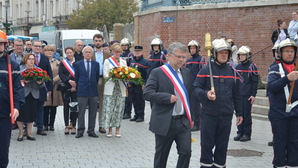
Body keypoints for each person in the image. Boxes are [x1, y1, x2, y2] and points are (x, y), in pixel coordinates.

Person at [194, 39, 243, 168]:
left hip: (226, 115)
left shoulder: (233, 72)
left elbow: (237, 95)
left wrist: (239, 113)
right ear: (215, 53)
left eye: (226, 53)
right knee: (207, 145)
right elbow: (196, 88)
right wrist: (206, 94)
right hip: (209, 115)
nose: (224, 55)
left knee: (222, 146)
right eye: (221, 52)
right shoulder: (205, 70)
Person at [144, 42, 192, 168]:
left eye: (184, 57)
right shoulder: (158, 73)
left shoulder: (186, 72)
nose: (182, 60)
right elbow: (147, 93)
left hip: (182, 121)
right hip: (165, 122)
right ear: (169, 56)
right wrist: (166, 97)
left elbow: (190, 96)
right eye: (179, 56)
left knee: (186, 153)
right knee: (162, 156)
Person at [267, 38, 298, 168]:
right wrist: (287, 78)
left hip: (295, 112)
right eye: (286, 51)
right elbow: (271, 88)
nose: (289, 54)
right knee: (280, 143)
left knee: (294, 143)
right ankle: (279, 165)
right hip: (279, 113)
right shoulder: (274, 68)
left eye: (291, 51)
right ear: (281, 53)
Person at [0, 30, 24, 168]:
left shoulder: (12, 65)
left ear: (5, 45)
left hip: (5, 113)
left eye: (1, 44)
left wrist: (16, 107)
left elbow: (18, 88)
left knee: (3, 149)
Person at [101, 43, 127, 137]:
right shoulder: (108, 61)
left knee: (119, 109)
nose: (118, 54)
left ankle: (118, 129)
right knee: (109, 109)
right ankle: (110, 130)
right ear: (112, 52)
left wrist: (125, 76)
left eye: (120, 52)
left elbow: (126, 73)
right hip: (111, 87)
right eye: (116, 52)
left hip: (120, 88)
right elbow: (105, 75)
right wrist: (115, 75)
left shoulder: (124, 62)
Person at [17, 53, 45, 142]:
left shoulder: (38, 70)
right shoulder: (20, 69)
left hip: (33, 94)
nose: (31, 60)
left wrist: (40, 82)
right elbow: (16, 82)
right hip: (22, 94)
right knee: (21, 114)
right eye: (29, 59)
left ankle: (29, 133)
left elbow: (43, 84)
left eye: (33, 59)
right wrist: (23, 81)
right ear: (25, 59)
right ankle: (21, 133)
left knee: (31, 114)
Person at [233, 46, 258, 142]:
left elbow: (255, 82)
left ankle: (247, 133)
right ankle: (240, 132)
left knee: (246, 114)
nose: (241, 57)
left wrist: (253, 94)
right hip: (239, 95)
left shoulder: (252, 66)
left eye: (243, 55)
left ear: (247, 55)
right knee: (239, 114)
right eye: (240, 55)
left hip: (247, 95)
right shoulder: (237, 67)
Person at [75, 46, 100, 138]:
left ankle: (91, 130)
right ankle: (80, 130)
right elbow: (76, 78)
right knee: (81, 111)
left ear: (92, 54)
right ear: (83, 53)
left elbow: (96, 77)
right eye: (86, 52)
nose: (88, 54)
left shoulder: (96, 64)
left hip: (93, 91)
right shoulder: (78, 64)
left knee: (93, 111)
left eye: (90, 52)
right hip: (82, 91)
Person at [32, 40, 53, 136]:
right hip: (30, 88)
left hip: (42, 88)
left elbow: (49, 74)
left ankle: (40, 128)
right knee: (28, 108)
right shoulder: (28, 57)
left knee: (40, 108)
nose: (37, 48)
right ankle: (25, 128)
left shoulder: (45, 58)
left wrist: (50, 89)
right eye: (36, 46)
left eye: (39, 46)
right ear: (32, 47)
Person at [91, 34, 111, 134]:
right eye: (96, 40)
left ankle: (102, 125)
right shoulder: (89, 53)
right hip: (92, 80)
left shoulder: (107, 54)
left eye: (99, 40)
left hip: (103, 79)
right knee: (92, 104)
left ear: (102, 41)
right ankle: (91, 127)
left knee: (103, 104)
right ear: (93, 41)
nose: (98, 42)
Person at [185, 40, 206, 131]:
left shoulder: (201, 59)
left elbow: (203, 73)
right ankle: (193, 121)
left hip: (197, 86)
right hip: (189, 86)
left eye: (194, 48)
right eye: (191, 48)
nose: (192, 50)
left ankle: (198, 123)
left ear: (197, 49)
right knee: (191, 105)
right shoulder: (188, 61)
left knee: (196, 105)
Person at [59, 47, 78, 135]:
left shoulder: (77, 63)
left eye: (70, 52)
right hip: (66, 87)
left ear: (73, 53)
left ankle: (73, 125)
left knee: (74, 107)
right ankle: (66, 125)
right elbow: (61, 74)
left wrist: (75, 84)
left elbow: (80, 73)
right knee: (66, 107)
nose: (69, 54)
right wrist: (68, 81)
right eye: (67, 53)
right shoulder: (63, 63)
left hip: (76, 87)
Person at [43, 45, 63, 131]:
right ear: (44, 52)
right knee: (46, 106)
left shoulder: (57, 62)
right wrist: (47, 81)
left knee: (54, 106)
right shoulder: (42, 62)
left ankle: (52, 124)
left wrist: (53, 80)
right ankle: (45, 124)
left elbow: (61, 73)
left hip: (55, 86)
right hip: (45, 86)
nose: (49, 53)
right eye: (47, 51)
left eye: (51, 51)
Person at [129, 46, 148, 122]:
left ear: (142, 52)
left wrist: (144, 84)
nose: (137, 52)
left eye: (139, 51)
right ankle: (136, 114)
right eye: (136, 51)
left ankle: (141, 115)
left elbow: (146, 74)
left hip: (140, 85)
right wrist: (129, 81)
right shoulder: (132, 61)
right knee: (134, 100)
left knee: (140, 100)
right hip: (132, 84)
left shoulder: (144, 62)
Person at [120, 38, 134, 120]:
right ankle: (123, 111)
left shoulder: (130, 55)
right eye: (123, 45)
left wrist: (128, 78)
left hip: (127, 78)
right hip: (121, 77)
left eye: (126, 45)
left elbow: (130, 67)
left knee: (128, 97)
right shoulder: (121, 54)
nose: (124, 47)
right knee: (123, 96)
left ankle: (128, 112)